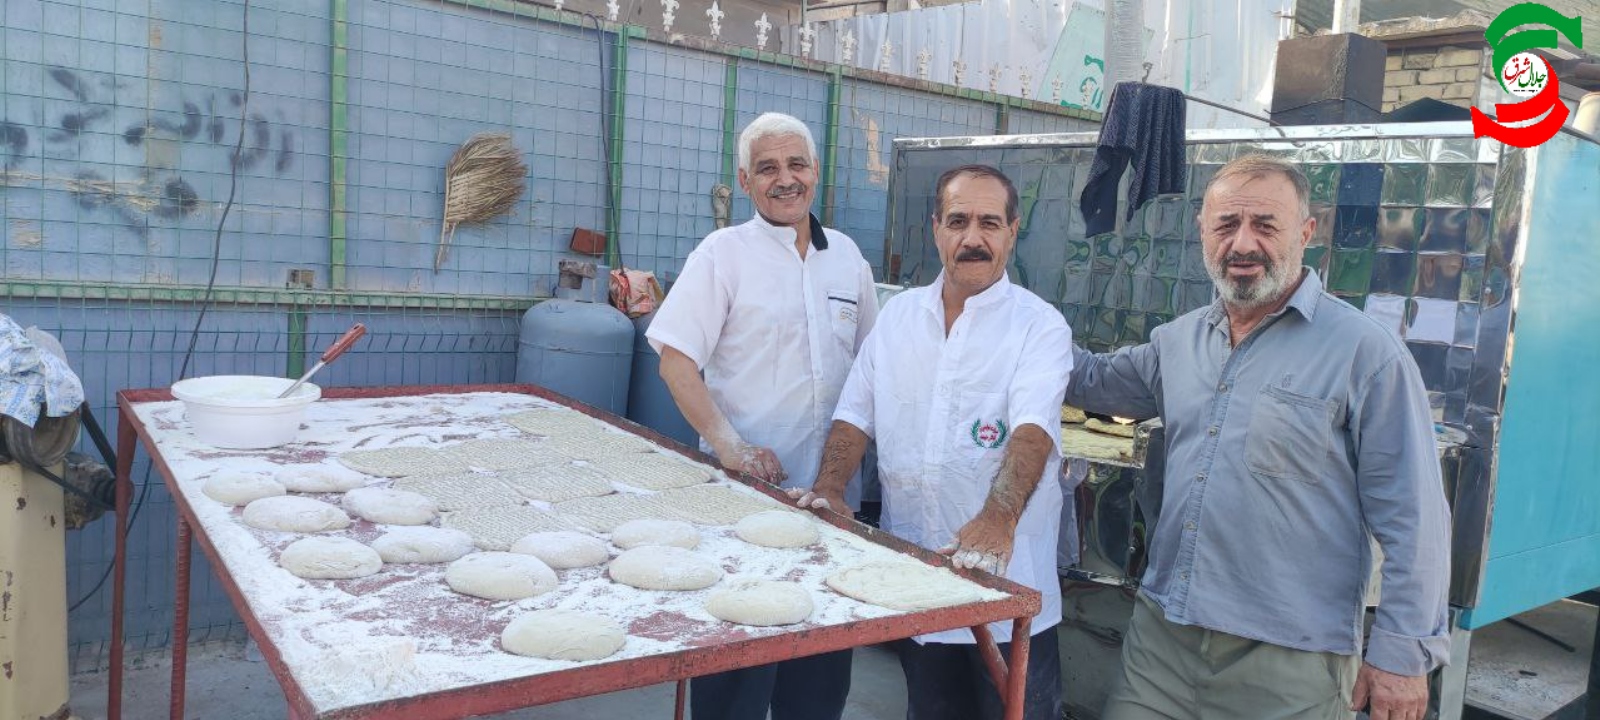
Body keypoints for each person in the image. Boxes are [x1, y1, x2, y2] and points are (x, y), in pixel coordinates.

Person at [1068, 154, 1452, 720]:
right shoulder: (1177, 343)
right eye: (1226, 225)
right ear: (1202, 231)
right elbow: (1087, 380)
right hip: (1162, 646)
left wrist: (1403, 655)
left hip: (1291, 664)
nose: (1243, 243)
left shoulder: (1366, 354)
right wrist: (1001, 310)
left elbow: (1415, 518)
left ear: (1306, 233)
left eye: (1265, 225)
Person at [797, 164, 1071, 720]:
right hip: (918, 579)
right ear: (936, 228)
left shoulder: (1039, 327)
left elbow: (1033, 430)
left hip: (1006, 589)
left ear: (1013, 231)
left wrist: (997, 518)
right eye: (958, 221)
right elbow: (855, 415)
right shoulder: (898, 318)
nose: (973, 238)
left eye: (989, 223)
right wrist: (831, 487)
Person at [647, 111, 879, 720]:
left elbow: (872, 372)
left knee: (817, 684)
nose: (785, 179)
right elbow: (676, 363)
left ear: (816, 172)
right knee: (737, 678)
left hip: (829, 506)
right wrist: (731, 446)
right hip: (742, 503)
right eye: (768, 168)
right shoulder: (723, 255)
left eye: (796, 164)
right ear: (746, 181)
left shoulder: (847, 258)